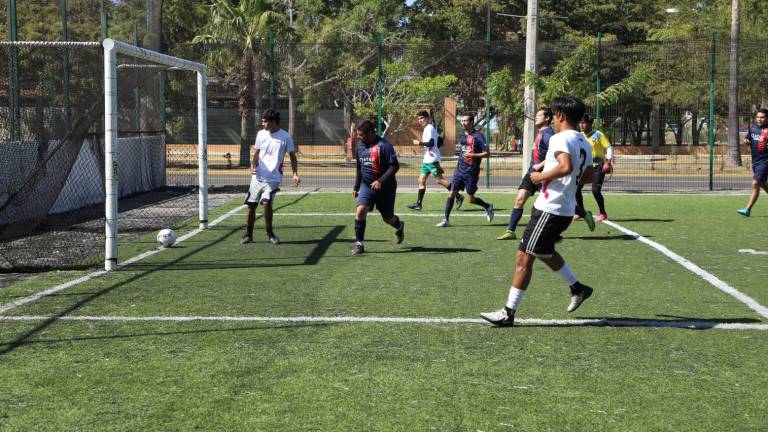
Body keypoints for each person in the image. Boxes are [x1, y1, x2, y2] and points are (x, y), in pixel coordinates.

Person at [481, 95, 595, 327]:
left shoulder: (560, 138)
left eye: (554, 114)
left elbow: (566, 167)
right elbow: (589, 175)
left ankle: (508, 312)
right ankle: (577, 287)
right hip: (563, 208)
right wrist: (571, 188)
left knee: (524, 257)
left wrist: (539, 177)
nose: (552, 119)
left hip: (550, 208)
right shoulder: (584, 141)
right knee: (543, 251)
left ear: (561, 116)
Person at [240, 109, 300, 245]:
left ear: (273, 122)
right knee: (251, 205)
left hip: (273, 178)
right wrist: (253, 163)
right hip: (257, 176)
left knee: (266, 203)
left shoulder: (285, 137)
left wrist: (295, 174)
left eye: (265, 121)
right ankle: (248, 234)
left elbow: (292, 157)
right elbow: (257, 152)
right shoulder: (261, 134)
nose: (263, 124)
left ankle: (269, 232)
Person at [497, 107, 555, 240]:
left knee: (558, 201)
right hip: (531, 173)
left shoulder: (549, 135)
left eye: (539, 115)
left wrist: (540, 165)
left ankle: (583, 213)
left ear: (547, 118)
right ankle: (511, 231)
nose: (536, 117)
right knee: (519, 199)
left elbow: (556, 155)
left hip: (544, 175)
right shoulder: (540, 133)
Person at [352, 120, 405, 255]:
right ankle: (359, 244)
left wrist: (380, 181)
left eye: (361, 135)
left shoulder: (384, 145)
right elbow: (359, 167)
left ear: (370, 133)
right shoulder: (360, 147)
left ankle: (399, 226)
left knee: (388, 218)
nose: (359, 137)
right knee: (360, 211)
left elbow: (394, 166)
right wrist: (356, 186)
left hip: (386, 188)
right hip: (366, 186)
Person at [435, 113, 494, 227]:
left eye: (465, 120)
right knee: (452, 193)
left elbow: (487, 153)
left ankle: (487, 206)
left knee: (470, 199)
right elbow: (463, 151)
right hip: (459, 170)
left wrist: (473, 155)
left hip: (471, 171)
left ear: (472, 122)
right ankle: (446, 220)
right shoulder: (462, 135)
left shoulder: (479, 137)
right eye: (462, 120)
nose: (463, 122)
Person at [406, 111, 463, 211]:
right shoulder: (429, 129)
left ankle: (458, 196)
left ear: (427, 118)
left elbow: (431, 143)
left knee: (439, 180)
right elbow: (439, 140)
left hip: (432, 159)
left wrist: (420, 143)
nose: (420, 120)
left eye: (422, 118)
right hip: (427, 159)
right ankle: (418, 204)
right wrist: (434, 147)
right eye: (418, 118)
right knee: (421, 180)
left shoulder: (429, 128)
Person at [576, 114, 613, 222]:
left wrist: (608, 162)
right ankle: (581, 212)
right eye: (580, 123)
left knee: (595, 190)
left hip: (598, 167)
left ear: (590, 123)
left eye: (584, 122)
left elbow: (608, 147)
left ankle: (602, 213)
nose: (581, 125)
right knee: (576, 190)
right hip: (583, 167)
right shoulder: (579, 136)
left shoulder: (598, 135)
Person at [738, 108, 768, 217]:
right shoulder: (753, 128)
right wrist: (746, 141)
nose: (759, 119)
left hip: (765, 162)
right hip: (755, 161)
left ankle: (747, 209)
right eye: (758, 117)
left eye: (762, 117)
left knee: (755, 183)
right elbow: (747, 138)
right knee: (763, 183)